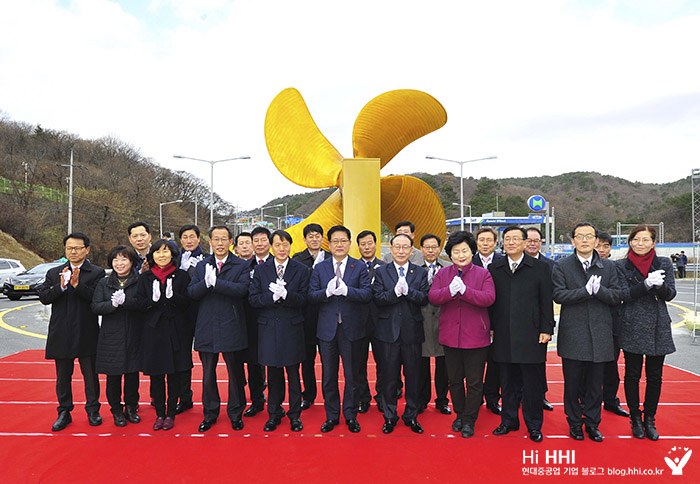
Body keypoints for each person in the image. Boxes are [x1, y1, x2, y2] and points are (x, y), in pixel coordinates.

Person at [552, 223, 622, 442]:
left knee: (595, 384)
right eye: (579, 236)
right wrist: (584, 292)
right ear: (572, 240)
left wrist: (599, 291)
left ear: (595, 241)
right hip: (574, 333)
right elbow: (558, 295)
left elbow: (617, 295)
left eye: (589, 236)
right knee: (572, 384)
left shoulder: (608, 267)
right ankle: (574, 423)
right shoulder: (562, 266)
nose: (584, 240)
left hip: (601, 332)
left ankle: (592, 423)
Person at [489, 226, 554, 443]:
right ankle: (508, 421)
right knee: (507, 382)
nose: (511, 242)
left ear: (525, 243)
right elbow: (492, 302)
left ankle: (534, 425)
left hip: (532, 335)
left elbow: (546, 301)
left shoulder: (540, 268)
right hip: (503, 334)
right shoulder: (495, 267)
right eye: (507, 239)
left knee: (532, 384)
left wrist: (547, 329)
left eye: (516, 239)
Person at [428, 231, 495, 438]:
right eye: (456, 251)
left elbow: (488, 298)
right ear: (450, 254)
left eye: (465, 250)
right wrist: (450, 291)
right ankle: (459, 414)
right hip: (451, 336)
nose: (461, 255)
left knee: (475, 382)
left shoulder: (483, 274)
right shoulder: (443, 274)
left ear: (471, 252)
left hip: (476, 337)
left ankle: (469, 419)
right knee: (455, 380)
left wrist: (466, 291)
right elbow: (433, 296)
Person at [38, 233, 106, 431]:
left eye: (77, 248)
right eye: (69, 248)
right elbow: (44, 296)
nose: (73, 251)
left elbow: (96, 299)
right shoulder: (54, 272)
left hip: (87, 331)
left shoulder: (97, 273)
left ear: (87, 249)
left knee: (90, 375)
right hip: (62, 331)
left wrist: (77, 285)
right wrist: (60, 286)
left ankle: (93, 409)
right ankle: (64, 412)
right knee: (63, 376)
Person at [309, 225, 372, 433]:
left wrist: (348, 291)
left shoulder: (359, 267)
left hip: (351, 329)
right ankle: (332, 415)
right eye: (335, 241)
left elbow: (366, 295)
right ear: (329, 243)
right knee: (329, 375)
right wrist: (326, 293)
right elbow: (311, 296)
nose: (339, 244)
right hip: (327, 330)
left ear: (349, 243)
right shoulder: (320, 268)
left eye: (343, 241)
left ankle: (351, 415)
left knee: (352, 375)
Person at [615, 224, 676, 440]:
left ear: (653, 243)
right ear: (630, 241)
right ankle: (635, 418)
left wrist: (659, 286)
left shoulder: (664, 263)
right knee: (632, 374)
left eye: (646, 240)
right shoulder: (621, 266)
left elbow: (670, 294)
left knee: (655, 376)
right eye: (636, 239)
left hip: (658, 325)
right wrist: (646, 284)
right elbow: (623, 294)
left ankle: (650, 418)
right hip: (632, 323)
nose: (641, 244)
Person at [188, 225, 249, 432]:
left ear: (231, 242)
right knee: (208, 374)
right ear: (210, 242)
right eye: (216, 239)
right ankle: (210, 413)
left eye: (224, 239)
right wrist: (206, 284)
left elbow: (242, 290)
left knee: (235, 373)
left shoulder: (241, 265)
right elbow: (192, 293)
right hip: (207, 326)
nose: (220, 243)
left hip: (232, 325)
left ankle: (235, 413)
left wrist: (217, 283)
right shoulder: (202, 265)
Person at [249, 230, 310, 432]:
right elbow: (253, 299)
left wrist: (287, 295)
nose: (281, 249)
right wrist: (271, 298)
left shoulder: (301, 269)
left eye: (285, 245)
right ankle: (274, 414)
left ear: (290, 246)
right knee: (273, 375)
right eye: (277, 245)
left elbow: (305, 299)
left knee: (293, 374)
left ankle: (295, 415)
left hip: (291, 328)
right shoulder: (261, 270)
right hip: (268, 329)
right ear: (271, 247)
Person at [373, 233, 430, 434]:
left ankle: (411, 415)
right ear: (391, 248)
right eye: (397, 247)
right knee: (388, 377)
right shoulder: (381, 272)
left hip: (412, 332)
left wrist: (409, 292)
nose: (400, 251)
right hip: (387, 332)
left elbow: (424, 298)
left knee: (413, 376)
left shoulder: (420, 273)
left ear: (411, 250)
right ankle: (389, 416)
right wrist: (394, 293)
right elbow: (378, 298)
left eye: (405, 247)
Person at [137, 239, 192, 431]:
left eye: (166, 251)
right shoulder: (145, 278)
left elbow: (189, 303)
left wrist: (174, 298)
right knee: (157, 374)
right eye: (157, 252)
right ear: (151, 256)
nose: (162, 255)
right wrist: (151, 301)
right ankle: (159, 412)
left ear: (172, 255)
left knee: (174, 374)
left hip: (176, 331)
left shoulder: (182, 276)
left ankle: (171, 413)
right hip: (153, 332)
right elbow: (138, 305)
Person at [91, 245, 143, 427]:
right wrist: (111, 305)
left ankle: (131, 407)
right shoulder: (104, 283)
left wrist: (127, 302)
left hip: (134, 333)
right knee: (113, 376)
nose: (119, 263)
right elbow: (95, 306)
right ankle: (116, 410)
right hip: (111, 336)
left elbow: (145, 304)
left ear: (131, 261)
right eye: (115, 260)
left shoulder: (139, 281)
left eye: (124, 259)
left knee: (132, 375)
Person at [292, 223, 331, 410]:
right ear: (305, 239)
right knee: (306, 360)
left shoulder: (331, 257)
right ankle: (308, 395)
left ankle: (329, 396)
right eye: (310, 236)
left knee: (328, 360)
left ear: (322, 238)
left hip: (327, 315)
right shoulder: (298, 259)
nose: (314, 239)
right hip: (305, 317)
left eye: (318, 236)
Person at [595, 232, 629, 418]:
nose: (602, 250)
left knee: (611, 366)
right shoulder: (584, 267)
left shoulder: (615, 268)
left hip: (613, 324)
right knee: (590, 368)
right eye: (598, 245)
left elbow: (621, 294)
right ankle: (588, 401)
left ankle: (610, 400)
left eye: (606, 246)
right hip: (590, 323)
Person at [174, 224, 207, 415]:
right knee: (182, 358)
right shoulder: (175, 259)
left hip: (202, 313)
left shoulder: (207, 259)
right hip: (180, 315)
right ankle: (184, 397)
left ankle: (210, 400)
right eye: (185, 237)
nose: (188, 240)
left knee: (208, 359)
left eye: (192, 237)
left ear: (199, 239)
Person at [240, 226, 272, 417]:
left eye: (263, 240)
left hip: (273, 320)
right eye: (256, 240)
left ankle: (276, 402)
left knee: (275, 364)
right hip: (250, 320)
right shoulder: (244, 266)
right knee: (253, 363)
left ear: (269, 242)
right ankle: (257, 400)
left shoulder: (278, 263)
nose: (259, 244)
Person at [418, 233, 451, 415]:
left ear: (439, 248)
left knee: (443, 365)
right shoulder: (415, 269)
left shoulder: (448, 268)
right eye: (426, 247)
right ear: (421, 249)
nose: (430, 250)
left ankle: (442, 400)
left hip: (443, 322)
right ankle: (422, 400)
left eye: (434, 247)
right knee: (421, 365)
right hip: (422, 322)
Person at [473, 227, 504, 416]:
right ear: (476, 242)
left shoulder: (502, 262)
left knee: (495, 364)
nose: (485, 243)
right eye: (481, 240)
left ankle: (492, 398)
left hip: (497, 321)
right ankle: (474, 400)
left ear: (495, 243)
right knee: (474, 365)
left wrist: (494, 325)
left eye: (489, 240)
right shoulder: (468, 261)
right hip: (473, 321)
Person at [524, 227, 555, 412]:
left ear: (541, 242)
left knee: (538, 363)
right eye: (529, 240)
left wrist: (547, 326)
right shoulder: (513, 263)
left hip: (539, 322)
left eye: (536, 240)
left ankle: (540, 395)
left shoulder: (550, 265)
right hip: (518, 322)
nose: (532, 243)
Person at [354, 229, 385, 413]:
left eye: (370, 243)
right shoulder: (353, 267)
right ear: (358, 246)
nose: (367, 247)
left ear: (376, 244)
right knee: (358, 363)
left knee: (384, 363)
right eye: (363, 244)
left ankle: (382, 397)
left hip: (381, 322)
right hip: (358, 322)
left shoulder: (385, 266)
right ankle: (362, 397)